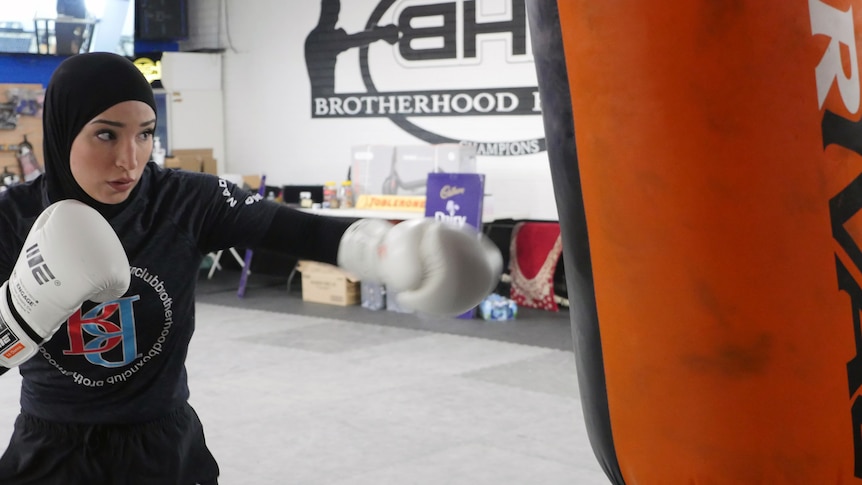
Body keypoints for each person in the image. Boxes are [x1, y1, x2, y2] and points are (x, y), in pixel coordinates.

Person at [0, 52, 502, 485]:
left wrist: (388, 249)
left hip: (162, 449)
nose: (129, 160)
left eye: (145, 135)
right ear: (63, 130)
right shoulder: (11, 218)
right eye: (106, 135)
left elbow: (290, 229)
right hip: (51, 451)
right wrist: (21, 311)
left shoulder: (184, 200)